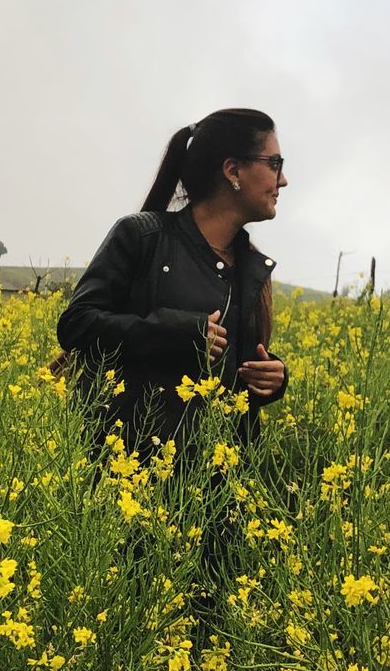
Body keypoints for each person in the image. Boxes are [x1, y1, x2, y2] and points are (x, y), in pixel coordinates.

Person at [56, 108, 288, 465]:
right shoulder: (142, 236)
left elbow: (228, 375)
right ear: (233, 171)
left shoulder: (252, 267)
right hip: (127, 469)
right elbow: (77, 325)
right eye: (274, 163)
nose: (283, 179)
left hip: (212, 488)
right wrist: (176, 332)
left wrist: (270, 379)